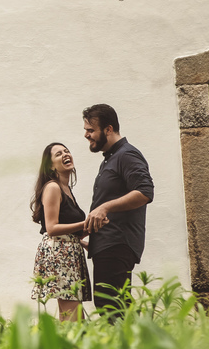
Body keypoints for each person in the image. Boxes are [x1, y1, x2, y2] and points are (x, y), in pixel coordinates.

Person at [82, 104, 154, 318]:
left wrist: (104, 207)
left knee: (111, 308)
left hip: (118, 244)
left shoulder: (127, 155)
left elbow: (145, 192)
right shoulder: (110, 158)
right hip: (108, 245)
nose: (86, 135)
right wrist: (93, 240)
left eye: (90, 130)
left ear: (108, 129)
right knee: (113, 307)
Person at [30, 142, 91, 321]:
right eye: (58, 154)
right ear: (50, 165)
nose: (65, 154)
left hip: (69, 251)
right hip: (60, 253)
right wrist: (84, 223)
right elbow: (52, 228)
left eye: (67, 151)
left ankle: (68, 346)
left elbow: (69, 230)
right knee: (72, 315)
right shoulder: (53, 187)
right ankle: (66, 347)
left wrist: (86, 233)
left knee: (74, 314)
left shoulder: (67, 189)